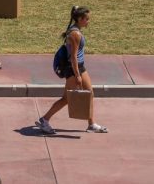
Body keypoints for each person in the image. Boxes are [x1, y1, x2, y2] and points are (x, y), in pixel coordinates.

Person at [36, 7, 108, 135]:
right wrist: (77, 75)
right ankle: (44, 119)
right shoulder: (75, 34)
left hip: (80, 67)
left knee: (89, 93)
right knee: (66, 99)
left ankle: (91, 124)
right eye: (86, 19)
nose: (88, 21)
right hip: (74, 68)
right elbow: (73, 57)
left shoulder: (75, 31)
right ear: (80, 19)